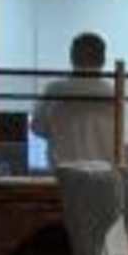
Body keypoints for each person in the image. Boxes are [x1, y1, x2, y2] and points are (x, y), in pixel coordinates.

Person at [31, 32, 119, 170]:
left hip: (64, 178)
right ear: (103, 59)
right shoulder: (114, 93)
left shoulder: (55, 90)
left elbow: (37, 128)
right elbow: (120, 137)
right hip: (104, 178)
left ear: (72, 57)